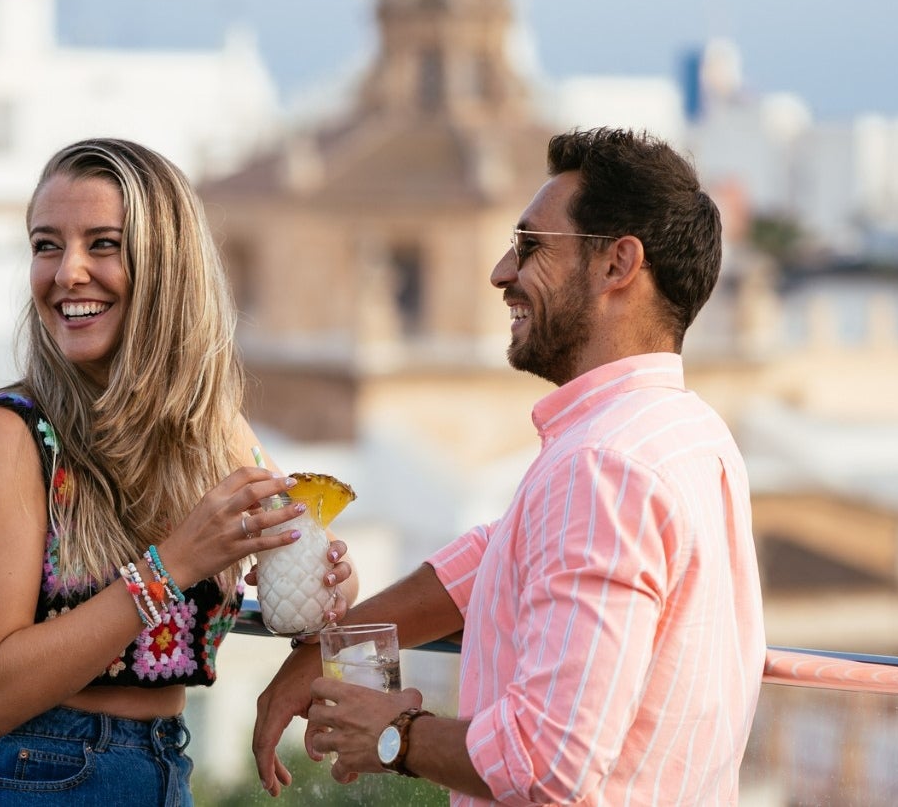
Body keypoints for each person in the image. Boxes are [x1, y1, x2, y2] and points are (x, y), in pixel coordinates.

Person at [252, 127, 765, 805]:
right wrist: (326, 648)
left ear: (618, 265)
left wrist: (394, 733)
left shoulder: (601, 465)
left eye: (529, 247)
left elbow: (548, 759)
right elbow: (505, 551)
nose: (501, 271)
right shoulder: (687, 431)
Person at [0, 137, 357, 806]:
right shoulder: (7, 436)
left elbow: (288, 565)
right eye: (46, 244)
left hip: (163, 772)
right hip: (31, 776)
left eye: (102, 244)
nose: (67, 272)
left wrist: (326, 586)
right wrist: (171, 565)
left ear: (167, 266)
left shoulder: (215, 435)